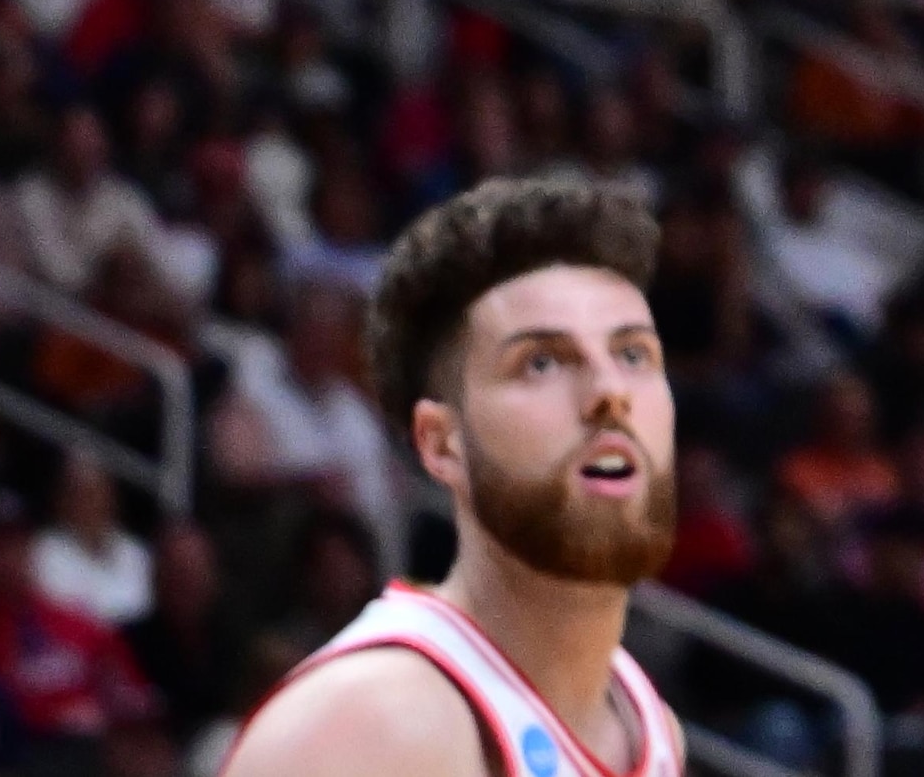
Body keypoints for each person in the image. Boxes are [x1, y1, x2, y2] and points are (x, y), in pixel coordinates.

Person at [219, 174, 690, 777]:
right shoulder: (367, 727)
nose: (610, 394)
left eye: (632, 354)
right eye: (541, 362)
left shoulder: (647, 722)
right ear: (443, 444)